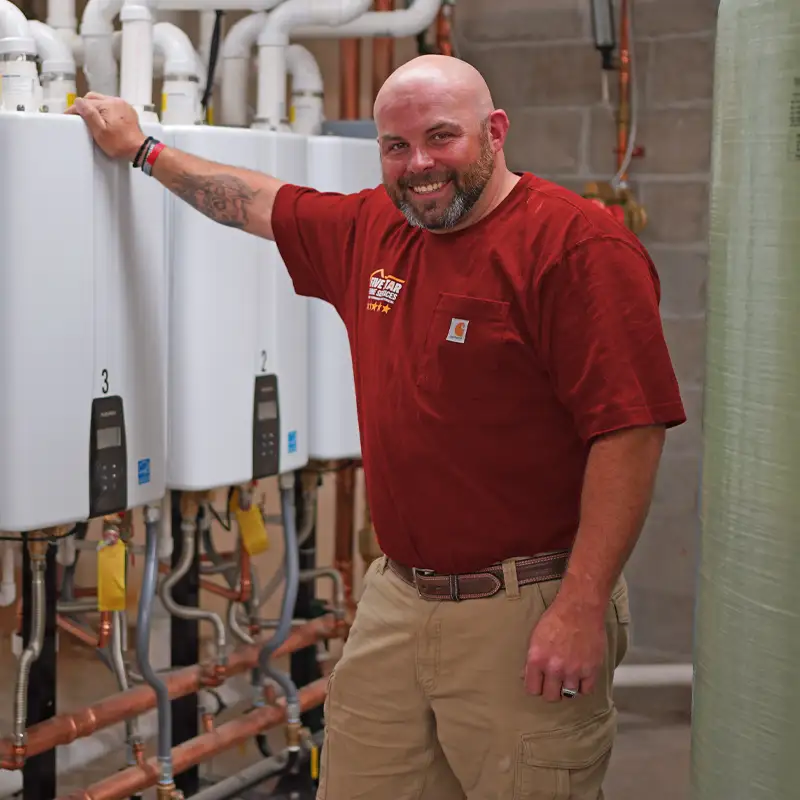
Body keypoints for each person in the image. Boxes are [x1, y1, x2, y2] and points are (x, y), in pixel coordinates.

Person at [68, 53, 686, 799]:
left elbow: (631, 432)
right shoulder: (377, 231)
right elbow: (255, 202)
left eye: (440, 139)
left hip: (527, 605)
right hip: (398, 595)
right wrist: (142, 150)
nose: (419, 165)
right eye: (397, 147)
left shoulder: (575, 246)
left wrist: (582, 606)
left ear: (495, 131)